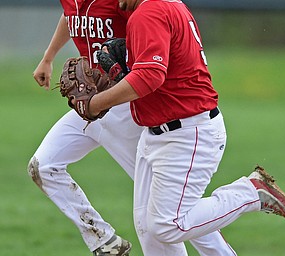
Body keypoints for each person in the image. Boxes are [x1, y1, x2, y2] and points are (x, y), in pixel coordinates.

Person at [89, 0, 285, 255]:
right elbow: (163, 70)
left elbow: (150, 77)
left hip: (186, 134)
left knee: (167, 226)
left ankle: (250, 193)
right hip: (160, 132)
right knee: (148, 228)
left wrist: (94, 104)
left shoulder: (149, 12)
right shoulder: (169, 5)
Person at [29, 0, 238, 255]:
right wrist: (48, 58)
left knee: (166, 214)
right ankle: (103, 240)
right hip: (90, 106)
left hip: (125, 107)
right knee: (43, 165)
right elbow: (69, 16)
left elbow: (151, 40)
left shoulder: (125, 3)